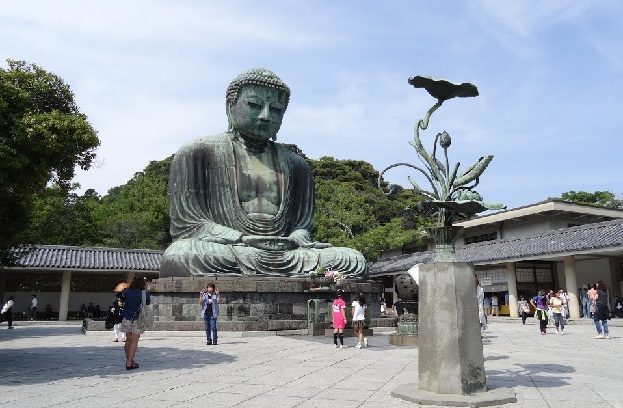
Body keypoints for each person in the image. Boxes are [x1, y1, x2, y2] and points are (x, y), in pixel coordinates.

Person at [159, 68, 366, 278]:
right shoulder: (198, 152)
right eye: (254, 105)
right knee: (181, 254)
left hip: (286, 252)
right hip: (230, 248)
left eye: (276, 109)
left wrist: (297, 238)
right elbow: (189, 226)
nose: (265, 116)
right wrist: (241, 238)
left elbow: (302, 226)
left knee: (351, 259)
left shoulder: (297, 165)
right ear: (231, 106)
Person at [120, 277, 151, 370]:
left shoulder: (126, 292)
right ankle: (129, 362)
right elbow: (148, 302)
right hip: (138, 319)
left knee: (128, 340)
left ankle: (128, 360)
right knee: (135, 341)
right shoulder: (144, 293)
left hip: (126, 318)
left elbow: (121, 301)